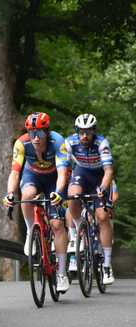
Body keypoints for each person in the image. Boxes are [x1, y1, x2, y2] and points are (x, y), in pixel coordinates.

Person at [3, 112, 71, 292]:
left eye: (39, 133)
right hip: (32, 175)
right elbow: (15, 173)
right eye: (32, 133)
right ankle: (31, 231)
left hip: (54, 178)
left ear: (47, 132)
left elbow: (63, 173)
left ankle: (62, 273)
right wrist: (10, 193)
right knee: (26, 196)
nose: (35, 138)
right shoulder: (21, 143)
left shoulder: (58, 142)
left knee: (57, 224)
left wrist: (58, 193)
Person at [63, 113, 115, 285]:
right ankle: (77, 234)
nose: (84, 136)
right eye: (81, 132)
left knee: (102, 217)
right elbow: (63, 166)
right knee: (73, 195)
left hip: (99, 177)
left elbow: (108, 171)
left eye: (88, 132)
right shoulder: (70, 142)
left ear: (94, 131)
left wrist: (103, 188)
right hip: (82, 173)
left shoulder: (102, 143)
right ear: (77, 131)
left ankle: (107, 265)